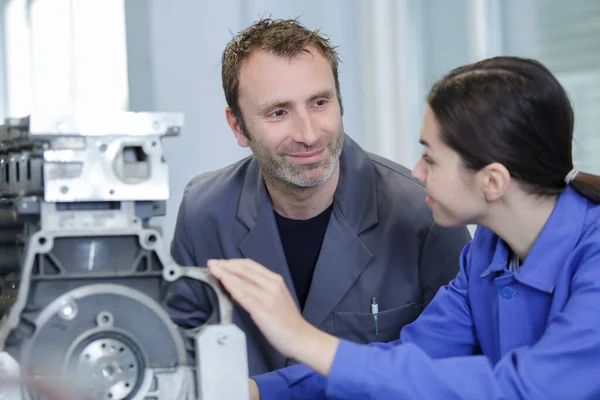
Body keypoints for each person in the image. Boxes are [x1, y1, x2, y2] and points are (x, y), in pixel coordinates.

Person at [208, 55, 600, 399]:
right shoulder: (487, 251)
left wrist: (301, 337)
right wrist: (260, 392)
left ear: (492, 181)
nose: (416, 171)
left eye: (430, 158)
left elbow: (528, 389)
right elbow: (407, 360)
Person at [166, 18, 471, 375]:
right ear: (238, 126)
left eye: (319, 103)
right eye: (279, 112)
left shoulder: (425, 211)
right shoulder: (203, 211)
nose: (308, 134)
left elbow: (457, 368)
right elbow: (178, 354)